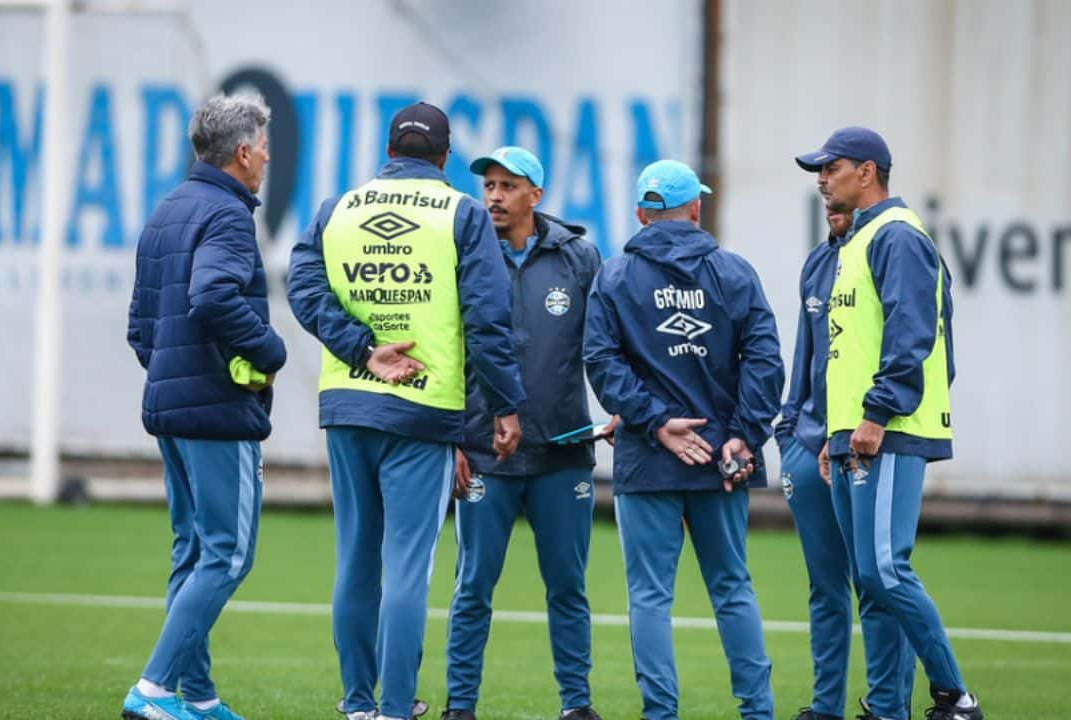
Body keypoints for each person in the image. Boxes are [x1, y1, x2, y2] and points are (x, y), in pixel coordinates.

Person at [287, 102, 527, 720]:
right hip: (423, 411)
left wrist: (363, 349)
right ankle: (396, 706)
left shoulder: (336, 210)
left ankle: (359, 703)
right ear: (444, 159)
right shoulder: (462, 214)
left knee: (355, 559)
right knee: (407, 567)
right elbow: (487, 319)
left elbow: (303, 289)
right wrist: (503, 405)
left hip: (348, 402)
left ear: (389, 152)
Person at [583, 160, 783, 720]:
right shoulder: (735, 272)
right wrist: (743, 434)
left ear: (642, 213)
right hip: (722, 459)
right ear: (696, 208)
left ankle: (660, 714)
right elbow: (764, 361)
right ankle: (757, 712)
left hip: (648, 457)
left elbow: (601, 362)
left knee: (650, 597)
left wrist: (654, 421)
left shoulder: (616, 275)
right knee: (732, 589)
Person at [795, 126, 982, 720]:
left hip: (890, 429)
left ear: (867, 172)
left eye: (831, 168)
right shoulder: (859, 241)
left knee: (885, 570)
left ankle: (955, 695)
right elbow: (847, 351)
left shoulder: (897, 236)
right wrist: (835, 432)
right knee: (870, 580)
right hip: (856, 433)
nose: (822, 180)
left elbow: (912, 334)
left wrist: (874, 415)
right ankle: (885, 708)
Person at [122, 93, 285, 720]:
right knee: (228, 554)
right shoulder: (226, 215)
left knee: (192, 554)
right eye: (263, 146)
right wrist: (267, 350)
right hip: (216, 410)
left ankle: (198, 696)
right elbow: (214, 295)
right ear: (242, 152)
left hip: (171, 406)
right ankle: (154, 690)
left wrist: (174, 374)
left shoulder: (167, 210)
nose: (268, 157)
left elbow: (141, 328)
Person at [441, 147, 610, 720]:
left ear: (534, 195)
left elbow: (608, 345)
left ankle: (576, 705)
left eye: (506, 186)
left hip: (563, 453)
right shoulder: (462, 252)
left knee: (568, 587)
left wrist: (622, 407)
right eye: (488, 185)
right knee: (473, 588)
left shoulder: (581, 260)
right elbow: (449, 353)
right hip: (486, 453)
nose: (492, 196)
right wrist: (456, 439)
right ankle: (459, 706)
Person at [776, 206, 916, 720]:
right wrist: (789, 430)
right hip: (809, 445)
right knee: (824, 588)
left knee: (877, 582)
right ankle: (825, 707)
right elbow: (805, 356)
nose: (830, 207)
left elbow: (916, 342)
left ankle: (889, 706)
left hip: (860, 443)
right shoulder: (818, 263)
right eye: (826, 204)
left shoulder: (888, 252)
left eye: (835, 187)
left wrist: (865, 424)